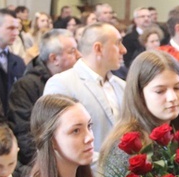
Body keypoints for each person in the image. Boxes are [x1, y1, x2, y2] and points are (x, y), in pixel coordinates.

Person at [43, 22, 127, 157]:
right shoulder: (62, 84)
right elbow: (56, 142)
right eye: (117, 43)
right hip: (83, 173)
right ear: (98, 48)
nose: (123, 50)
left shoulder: (122, 86)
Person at [8, 29, 79, 166]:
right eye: (72, 52)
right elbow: (25, 135)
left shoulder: (75, 81)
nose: (79, 55)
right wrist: (48, 166)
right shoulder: (26, 86)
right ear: (54, 59)